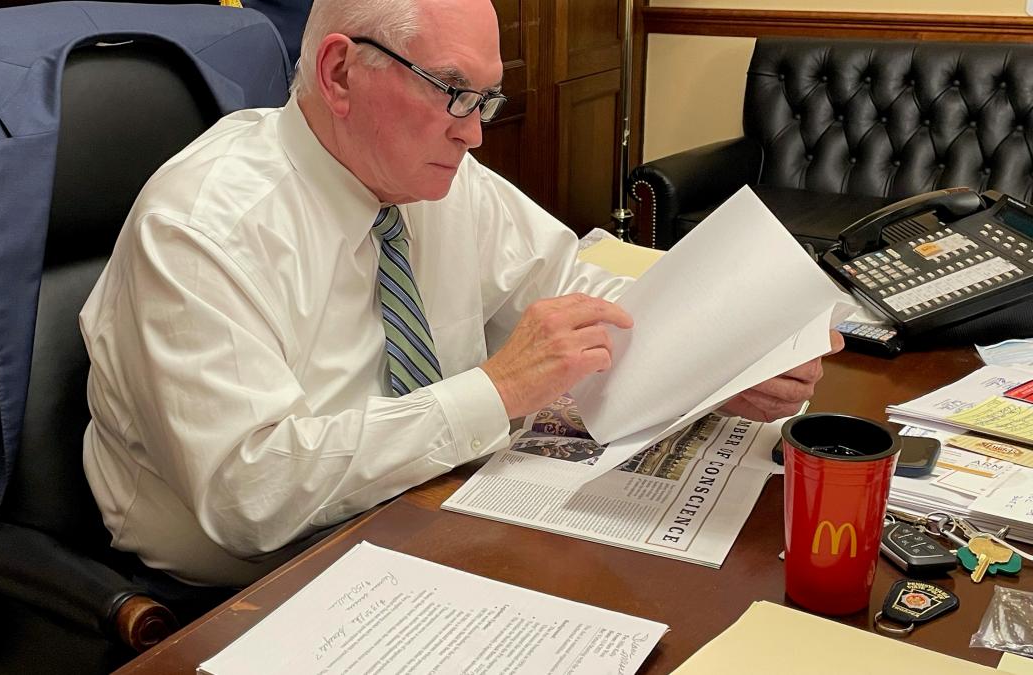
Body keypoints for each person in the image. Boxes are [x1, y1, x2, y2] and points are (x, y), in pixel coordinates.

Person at [79, 0, 843, 588]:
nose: (474, 134)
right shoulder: (201, 225)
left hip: (429, 513)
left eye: (486, 98)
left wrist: (725, 355)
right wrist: (497, 388)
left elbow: (574, 287)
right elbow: (252, 493)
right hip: (250, 587)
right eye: (451, 91)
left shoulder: (436, 181)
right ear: (340, 73)